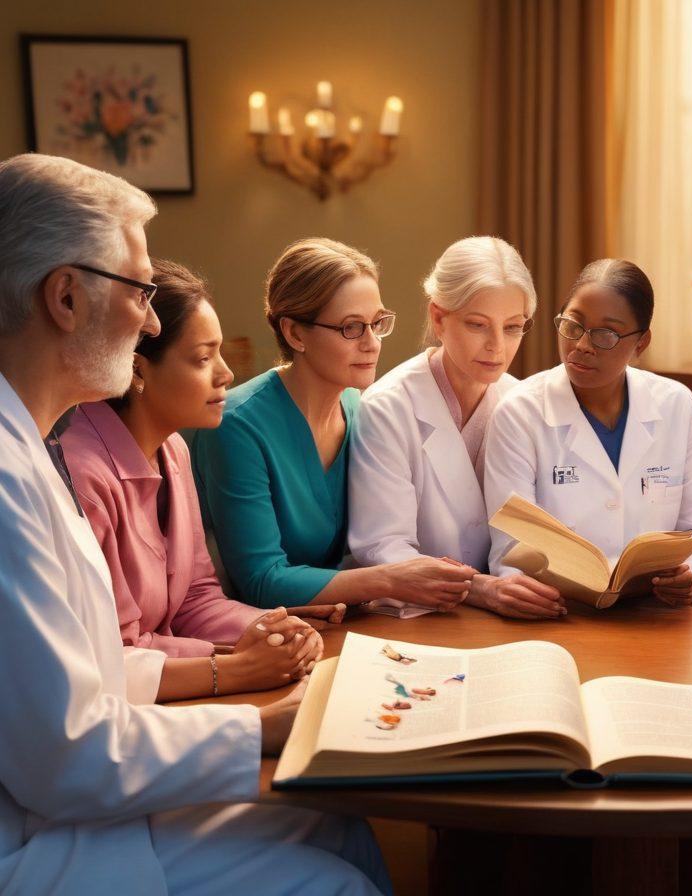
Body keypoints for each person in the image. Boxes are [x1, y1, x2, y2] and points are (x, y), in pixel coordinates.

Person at [0, 153, 388, 893]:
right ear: (66, 299)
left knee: (338, 822)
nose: (148, 318)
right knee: (338, 884)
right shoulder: (16, 476)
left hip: (69, 793)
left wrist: (259, 650)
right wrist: (260, 718)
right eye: (140, 290)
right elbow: (70, 752)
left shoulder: (32, 445)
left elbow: (85, 672)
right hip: (34, 839)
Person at [61, 259, 341, 702]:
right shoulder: (81, 476)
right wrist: (235, 663)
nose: (226, 374)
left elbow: (196, 598)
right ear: (136, 370)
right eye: (204, 357)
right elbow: (114, 654)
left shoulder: (174, 449)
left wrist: (274, 629)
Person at [191, 238, 475, 611]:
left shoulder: (360, 408)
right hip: (260, 638)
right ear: (294, 333)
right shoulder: (235, 427)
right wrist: (391, 579)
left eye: (377, 323)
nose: (372, 343)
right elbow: (261, 581)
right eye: (351, 328)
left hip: (345, 621)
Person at [484, 258, 692, 608]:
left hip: (656, 612)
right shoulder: (520, 411)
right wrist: (526, 592)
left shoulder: (675, 404)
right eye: (573, 326)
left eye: (605, 334)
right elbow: (512, 544)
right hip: (558, 610)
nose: (582, 345)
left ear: (641, 343)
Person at [350, 236, 564, 619]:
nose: (497, 346)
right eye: (478, 325)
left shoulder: (523, 402)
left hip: (512, 613)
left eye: (513, 327)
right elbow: (383, 548)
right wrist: (481, 588)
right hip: (420, 618)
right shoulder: (388, 407)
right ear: (438, 318)